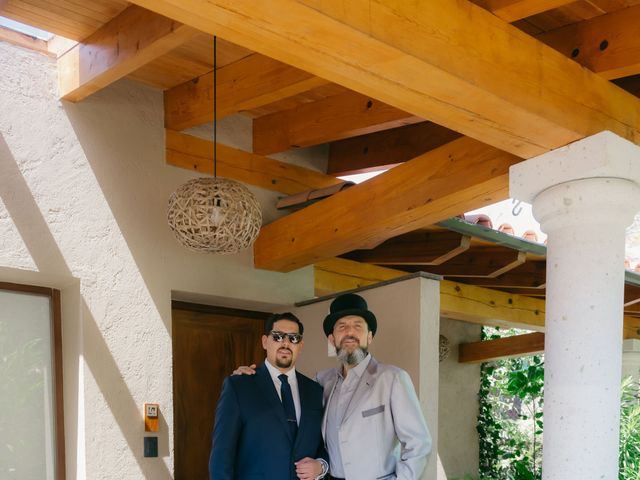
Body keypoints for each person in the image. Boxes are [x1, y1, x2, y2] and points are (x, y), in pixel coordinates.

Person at [235, 293, 432, 480]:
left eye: (358, 326)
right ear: (332, 339)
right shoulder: (322, 381)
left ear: (369, 336)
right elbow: (304, 429)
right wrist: (252, 379)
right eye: (342, 327)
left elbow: (419, 444)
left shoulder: (392, 378)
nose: (350, 332)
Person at [210, 312, 328, 480]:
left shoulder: (315, 391)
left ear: (300, 346)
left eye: (293, 338)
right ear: (265, 342)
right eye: (278, 337)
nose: (286, 343)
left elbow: (324, 443)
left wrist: (321, 465)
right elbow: (221, 455)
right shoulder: (239, 386)